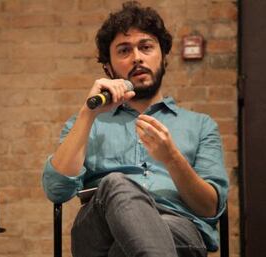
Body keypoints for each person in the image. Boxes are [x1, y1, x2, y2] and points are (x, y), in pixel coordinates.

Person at [42, 1, 228, 257]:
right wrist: (89, 113)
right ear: (108, 67)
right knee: (116, 183)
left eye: (146, 47)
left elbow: (210, 208)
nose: (137, 57)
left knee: (125, 250)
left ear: (163, 56)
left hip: (178, 230)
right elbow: (56, 191)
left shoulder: (200, 125)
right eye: (124, 50)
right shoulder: (88, 122)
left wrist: (172, 158)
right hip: (98, 234)